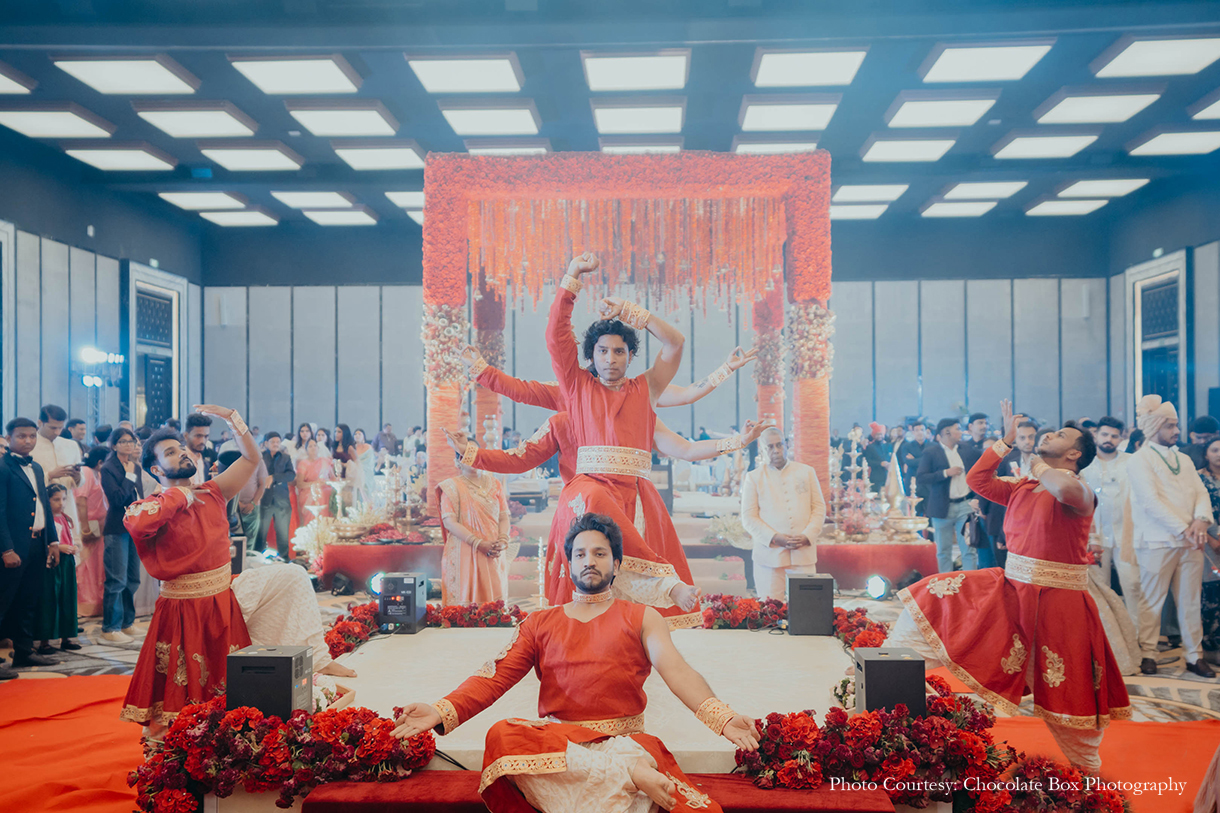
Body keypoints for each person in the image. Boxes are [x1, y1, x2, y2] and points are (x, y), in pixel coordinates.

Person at [390, 513, 759, 812]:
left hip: (623, 741)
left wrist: (722, 717)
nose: (589, 561)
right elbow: (494, 676)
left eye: (599, 553)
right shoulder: (539, 623)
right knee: (501, 734)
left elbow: (677, 671)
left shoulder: (642, 617)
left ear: (617, 564)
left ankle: (626, 768)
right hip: (562, 748)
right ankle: (627, 773)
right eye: (580, 554)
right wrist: (440, 710)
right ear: (568, 565)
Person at [885, 400, 1128, 771]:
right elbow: (977, 481)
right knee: (932, 597)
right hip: (1011, 590)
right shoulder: (1022, 487)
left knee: (1067, 692)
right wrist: (1005, 441)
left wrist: (1037, 464)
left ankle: (1087, 769)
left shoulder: (1079, 490)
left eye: (1060, 435)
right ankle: (885, 675)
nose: (1049, 435)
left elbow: (1062, 489)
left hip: (1060, 604)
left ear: (1074, 454)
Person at [119, 405, 258, 733]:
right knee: (178, 692)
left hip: (221, 605)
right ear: (155, 469)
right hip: (181, 612)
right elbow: (138, 525)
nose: (182, 452)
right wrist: (180, 495)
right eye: (170, 452)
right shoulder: (148, 507)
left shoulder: (213, 492)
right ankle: (175, 749)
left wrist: (233, 419)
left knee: (227, 687)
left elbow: (251, 459)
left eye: (182, 448)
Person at [1126, 394, 1216, 677]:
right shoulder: (1139, 460)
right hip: (1157, 541)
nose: (1176, 431)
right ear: (1154, 427)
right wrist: (1185, 528)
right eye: (1170, 426)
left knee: (1191, 600)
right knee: (1152, 600)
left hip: (1191, 541)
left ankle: (1194, 655)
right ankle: (1148, 653)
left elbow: (1201, 492)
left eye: (1176, 425)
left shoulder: (1184, 459)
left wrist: (1201, 521)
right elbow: (1150, 502)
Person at [0, 418, 61, 679]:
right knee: (3, 601)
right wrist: (6, 549)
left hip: (37, 543)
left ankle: (24, 651)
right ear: (9, 438)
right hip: (13, 547)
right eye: (21, 436)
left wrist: (52, 541)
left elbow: (44, 506)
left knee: (28, 600)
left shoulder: (36, 467)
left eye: (32, 436)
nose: (28, 441)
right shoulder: (3, 467)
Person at [740, 427, 825, 601]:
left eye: (779, 445)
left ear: (786, 445)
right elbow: (748, 518)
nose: (776, 450)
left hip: (803, 552)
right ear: (763, 450)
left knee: (807, 607)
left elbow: (819, 508)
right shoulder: (754, 477)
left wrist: (807, 536)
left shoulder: (806, 472)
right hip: (769, 555)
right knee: (770, 610)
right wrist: (774, 538)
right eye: (770, 447)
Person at [1082, 417, 1140, 624]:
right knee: (1099, 589)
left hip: (1126, 534)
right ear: (1096, 435)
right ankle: (1105, 638)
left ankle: (1136, 637)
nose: (1109, 439)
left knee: (1133, 586)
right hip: (1094, 537)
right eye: (1105, 434)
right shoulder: (1084, 464)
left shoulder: (1131, 462)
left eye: (1114, 436)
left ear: (1121, 438)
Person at [437, 444, 510, 605]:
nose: (472, 458)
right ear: (458, 461)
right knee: (465, 607)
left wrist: (503, 540)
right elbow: (449, 522)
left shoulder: (495, 484)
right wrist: (478, 543)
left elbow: (504, 517)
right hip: (465, 550)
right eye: (466, 454)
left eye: (475, 454)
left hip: (493, 551)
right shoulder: (451, 487)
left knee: (493, 608)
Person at [917, 418, 981, 573]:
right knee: (943, 551)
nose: (961, 432)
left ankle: (971, 582)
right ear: (947, 432)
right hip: (941, 507)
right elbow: (922, 477)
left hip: (966, 506)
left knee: (969, 549)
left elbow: (980, 471)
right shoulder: (931, 452)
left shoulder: (967, 450)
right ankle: (945, 582)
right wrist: (945, 473)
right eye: (957, 429)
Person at [99, 427, 143, 643]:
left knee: (133, 578)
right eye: (123, 441)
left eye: (131, 441)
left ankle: (127, 623)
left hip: (135, 527)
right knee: (116, 579)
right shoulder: (108, 468)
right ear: (114, 445)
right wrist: (130, 475)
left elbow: (138, 496)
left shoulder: (136, 466)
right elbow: (117, 499)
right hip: (117, 527)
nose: (128, 445)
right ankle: (111, 627)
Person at [36, 484, 80, 654]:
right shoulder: (44, 520)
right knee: (49, 598)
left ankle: (66, 637)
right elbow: (42, 542)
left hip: (67, 562)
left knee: (67, 597)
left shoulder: (66, 518)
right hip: (52, 562)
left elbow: (71, 537)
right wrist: (59, 547)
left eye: (63, 499)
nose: (61, 503)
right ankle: (44, 641)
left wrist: (74, 547)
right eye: (56, 499)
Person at [32, 404, 83, 546]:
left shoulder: (71, 446)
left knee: (70, 549)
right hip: (40, 505)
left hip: (67, 503)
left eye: (60, 428)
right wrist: (50, 475)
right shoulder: (31, 445)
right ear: (40, 423)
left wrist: (77, 476)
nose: (57, 432)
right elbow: (24, 479)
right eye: (53, 428)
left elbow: (81, 481)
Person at [75, 445, 110, 617]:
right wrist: (85, 527)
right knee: (85, 567)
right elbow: (81, 500)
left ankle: (96, 604)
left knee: (97, 567)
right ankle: (83, 605)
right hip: (88, 525)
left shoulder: (98, 473)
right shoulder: (87, 472)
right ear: (100, 462)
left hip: (99, 526)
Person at [256, 431, 295, 559]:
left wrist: (274, 477)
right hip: (264, 500)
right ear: (266, 443)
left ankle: (284, 560)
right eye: (272, 442)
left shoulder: (285, 457)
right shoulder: (260, 458)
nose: (276, 444)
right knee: (260, 534)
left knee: (283, 535)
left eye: (278, 442)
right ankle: (258, 559)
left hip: (282, 501)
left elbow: (291, 475)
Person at [1198, 438, 1220, 651]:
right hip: (1208, 540)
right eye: (1215, 450)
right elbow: (1192, 513)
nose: (1219, 454)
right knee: (1211, 591)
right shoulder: (1197, 479)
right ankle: (1210, 643)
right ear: (1206, 453)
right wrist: (1211, 539)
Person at [294, 438, 333, 526]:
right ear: (306, 449)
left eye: (315, 445)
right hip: (309, 492)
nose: (313, 448)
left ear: (318, 448)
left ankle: (326, 528)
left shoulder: (325, 461)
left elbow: (333, 478)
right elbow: (299, 484)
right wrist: (315, 484)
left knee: (327, 492)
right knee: (320, 494)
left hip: (326, 490)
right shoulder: (303, 463)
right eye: (310, 446)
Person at [183, 413, 216, 486]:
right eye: (198, 436)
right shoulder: (179, 459)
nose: (202, 441)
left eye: (206, 436)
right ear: (186, 436)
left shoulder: (207, 458)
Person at [861, 421, 890, 493]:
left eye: (881, 434)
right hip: (876, 476)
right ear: (874, 435)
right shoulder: (870, 447)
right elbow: (869, 461)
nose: (879, 436)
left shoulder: (888, 446)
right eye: (877, 434)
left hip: (888, 475)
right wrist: (880, 464)